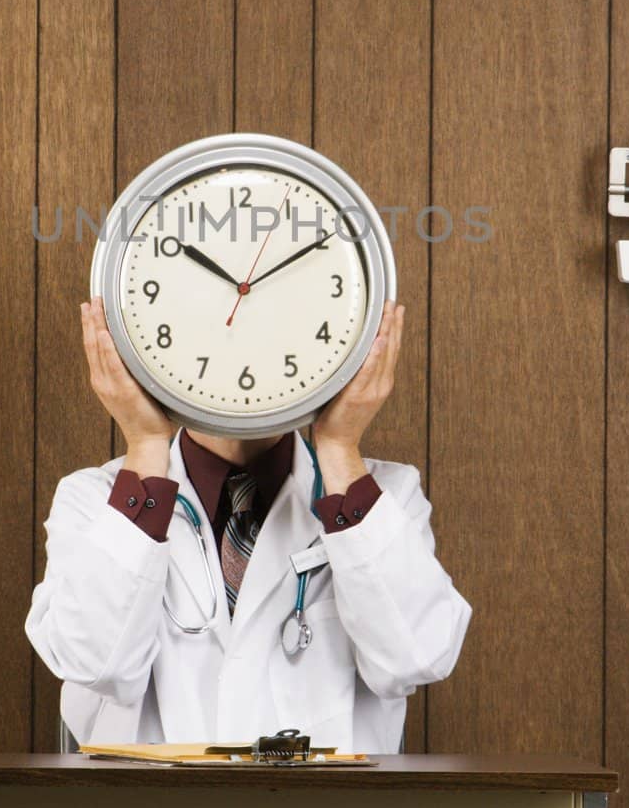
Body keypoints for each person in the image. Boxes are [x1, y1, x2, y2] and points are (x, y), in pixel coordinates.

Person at [25, 297, 471, 753]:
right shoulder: (95, 501)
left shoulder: (383, 496)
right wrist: (146, 447)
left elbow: (417, 659)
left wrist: (338, 450)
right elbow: (92, 664)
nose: (240, 362)